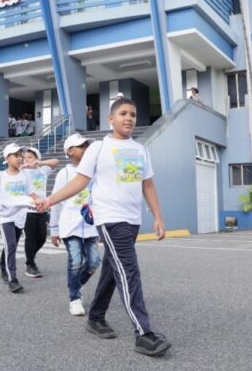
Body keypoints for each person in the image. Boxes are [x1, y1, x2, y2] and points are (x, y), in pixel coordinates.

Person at [36, 97, 171, 357]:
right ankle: (144, 334)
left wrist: (158, 216)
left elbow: (148, 185)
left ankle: (95, 316)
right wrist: (50, 200)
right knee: (129, 270)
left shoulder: (141, 149)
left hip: (132, 220)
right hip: (110, 218)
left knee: (113, 267)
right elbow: (80, 181)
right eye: (123, 113)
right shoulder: (99, 148)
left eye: (132, 114)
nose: (129, 118)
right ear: (111, 119)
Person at [50, 134, 100, 316]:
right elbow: (55, 201)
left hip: (91, 226)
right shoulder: (64, 173)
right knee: (76, 262)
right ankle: (75, 298)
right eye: (81, 146)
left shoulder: (95, 171)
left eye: (87, 145)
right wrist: (54, 229)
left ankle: (75, 284)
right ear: (69, 151)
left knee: (94, 262)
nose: (86, 149)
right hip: (70, 226)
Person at [0, 143, 38, 293]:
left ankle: (3, 266)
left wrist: (41, 202)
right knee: (11, 244)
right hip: (4, 215)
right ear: (7, 158)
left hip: (20, 215)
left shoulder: (25, 175)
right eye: (16, 155)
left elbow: (31, 193)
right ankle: (12, 279)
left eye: (20, 155)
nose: (19, 158)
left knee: (11, 245)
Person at [21, 147, 60, 278]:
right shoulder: (22, 172)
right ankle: (30, 264)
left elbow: (56, 162)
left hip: (42, 210)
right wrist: (37, 200)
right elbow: (27, 190)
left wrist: (41, 163)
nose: (27, 160)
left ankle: (30, 258)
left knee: (42, 238)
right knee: (30, 239)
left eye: (30, 157)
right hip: (28, 210)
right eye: (25, 157)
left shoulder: (43, 170)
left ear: (36, 158)